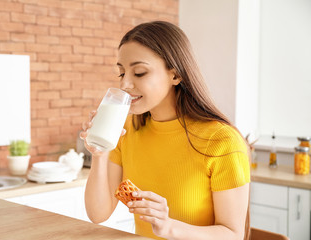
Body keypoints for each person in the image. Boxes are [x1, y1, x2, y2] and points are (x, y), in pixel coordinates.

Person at [80, 21, 250, 240]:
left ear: (176, 75)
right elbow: (98, 214)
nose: (125, 85)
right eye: (122, 73)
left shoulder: (222, 141)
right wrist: (99, 153)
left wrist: (169, 228)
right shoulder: (125, 130)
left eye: (139, 73)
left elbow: (233, 235)